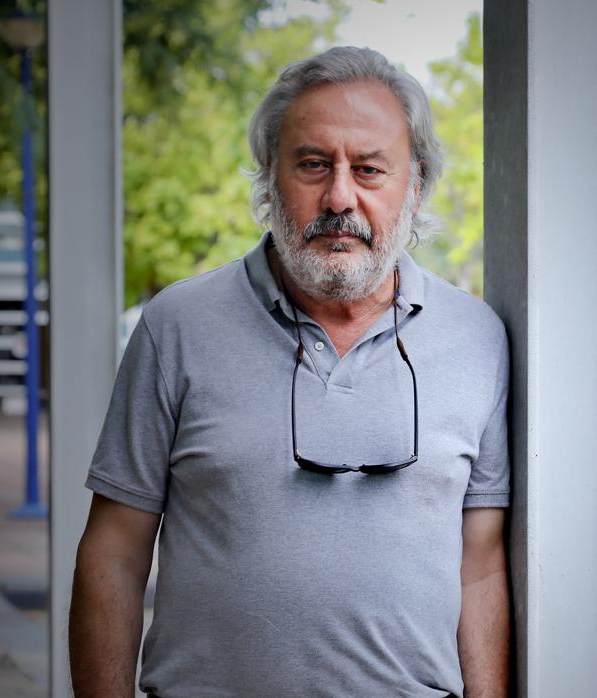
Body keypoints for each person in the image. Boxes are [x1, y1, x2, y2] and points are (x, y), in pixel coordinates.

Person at [68, 46, 511, 698]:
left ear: (415, 185)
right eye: (312, 164)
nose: (339, 196)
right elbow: (114, 553)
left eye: (369, 169)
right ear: (270, 178)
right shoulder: (176, 327)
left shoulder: (478, 339)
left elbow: (480, 565)